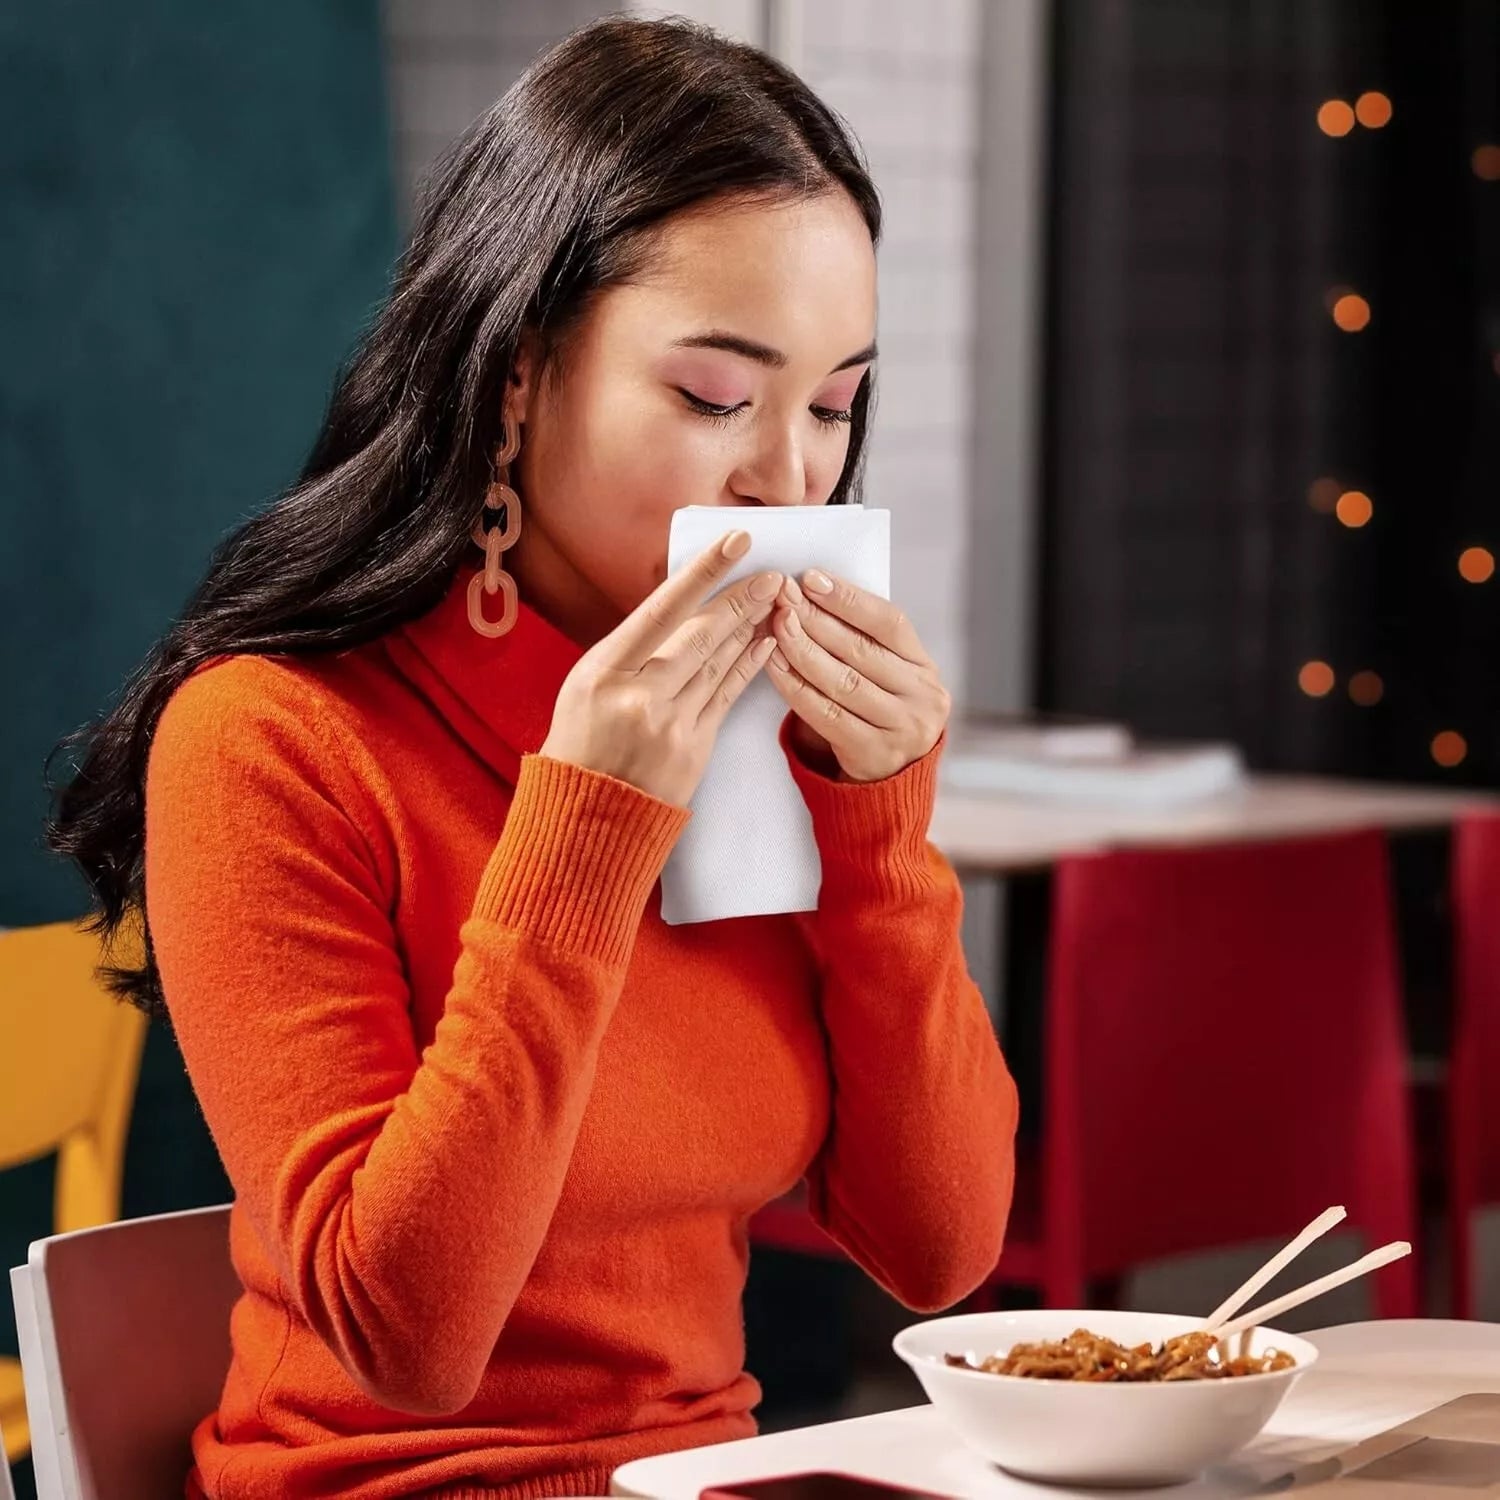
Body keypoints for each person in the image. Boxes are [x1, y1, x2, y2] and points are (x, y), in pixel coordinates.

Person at [49, 17, 1018, 1500]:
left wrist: (883, 833)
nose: (787, 477)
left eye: (833, 405)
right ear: (515, 376)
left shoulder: (763, 746)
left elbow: (939, 1253)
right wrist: (583, 832)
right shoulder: (271, 741)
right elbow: (409, 1335)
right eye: (713, 397)